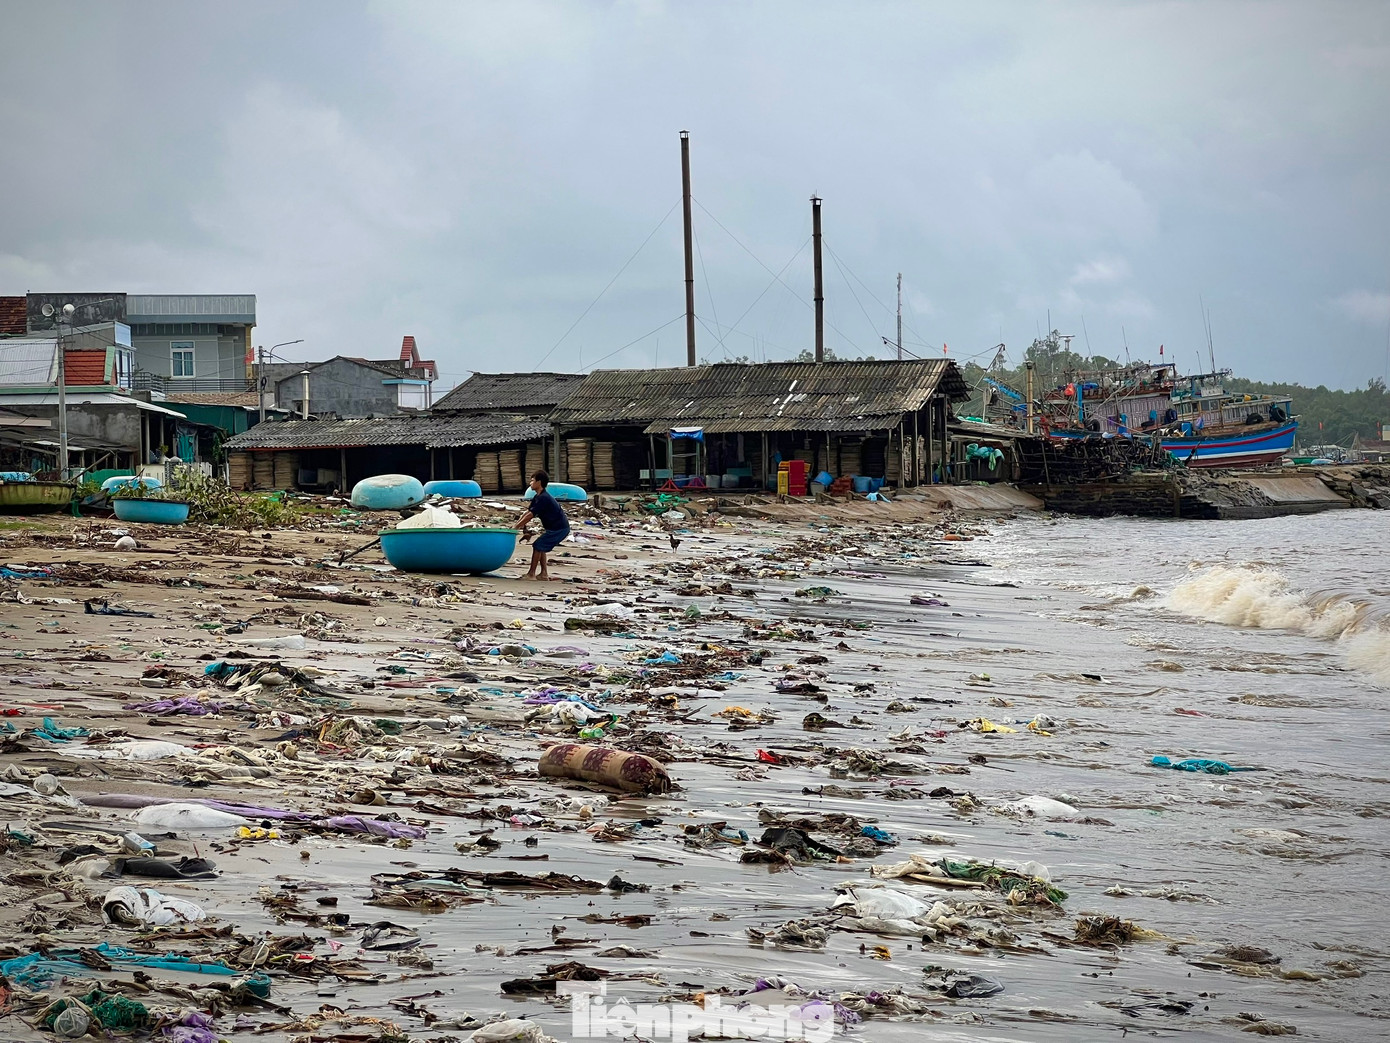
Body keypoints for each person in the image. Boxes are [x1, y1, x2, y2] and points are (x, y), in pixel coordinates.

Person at [516, 470, 569, 580]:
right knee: (541, 546)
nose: (530, 483)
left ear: (539, 482)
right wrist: (518, 525)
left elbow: (530, 515)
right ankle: (544, 574)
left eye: (532, 480)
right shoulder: (538, 497)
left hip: (559, 528)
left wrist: (516, 527)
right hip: (554, 528)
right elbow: (527, 512)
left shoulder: (544, 498)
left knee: (537, 546)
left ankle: (531, 574)